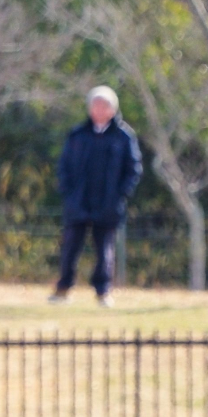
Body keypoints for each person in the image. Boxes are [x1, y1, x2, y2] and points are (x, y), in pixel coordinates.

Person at [49, 85, 143, 307]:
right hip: (78, 203)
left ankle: (103, 292)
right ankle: (63, 289)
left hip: (108, 204)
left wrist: (120, 194)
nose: (100, 109)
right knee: (70, 247)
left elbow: (134, 169)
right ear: (90, 108)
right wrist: (69, 193)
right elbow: (63, 167)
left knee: (105, 251)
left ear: (113, 109)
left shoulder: (124, 136)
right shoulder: (77, 134)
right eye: (96, 105)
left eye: (105, 105)